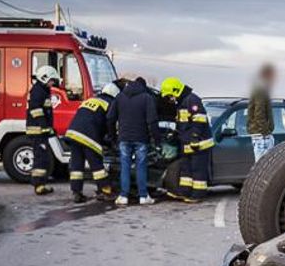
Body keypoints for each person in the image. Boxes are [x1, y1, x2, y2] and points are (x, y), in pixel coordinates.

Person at [107, 75, 157, 205]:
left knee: (125, 166)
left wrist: (113, 137)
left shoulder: (119, 97)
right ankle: (143, 196)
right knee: (141, 166)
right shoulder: (147, 97)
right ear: (144, 87)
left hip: (123, 138)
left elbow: (110, 118)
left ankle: (123, 196)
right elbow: (152, 121)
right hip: (141, 138)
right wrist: (157, 140)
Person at [66, 81, 119, 203]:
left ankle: (76, 192)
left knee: (76, 166)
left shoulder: (90, 100)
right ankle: (105, 190)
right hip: (89, 136)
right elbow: (109, 123)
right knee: (97, 165)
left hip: (73, 134)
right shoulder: (110, 103)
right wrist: (112, 139)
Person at [161, 77, 211, 203]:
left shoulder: (192, 100)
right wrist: (175, 135)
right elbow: (183, 123)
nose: (170, 99)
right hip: (187, 144)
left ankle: (198, 195)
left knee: (197, 170)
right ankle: (184, 192)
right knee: (186, 170)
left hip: (199, 144)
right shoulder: (182, 102)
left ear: (176, 91)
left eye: (170, 96)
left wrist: (195, 137)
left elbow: (199, 119)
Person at [26, 65, 60, 194]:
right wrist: (45, 127)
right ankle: (39, 186)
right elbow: (36, 111)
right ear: (44, 78)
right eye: (51, 80)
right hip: (37, 130)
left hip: (41, 130)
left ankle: (41, 184)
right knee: (41, 158)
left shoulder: (42, 90)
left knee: (44, 157)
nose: (52, 83)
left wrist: (49, 128)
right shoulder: (37, 91)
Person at [247, 63, 276, 162]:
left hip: (259, 134)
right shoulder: (261, 90)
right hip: (262, 136)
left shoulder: (258, 88)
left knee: (262, 167)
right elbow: (259, 112)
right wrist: (265, 131)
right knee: (264, 168)